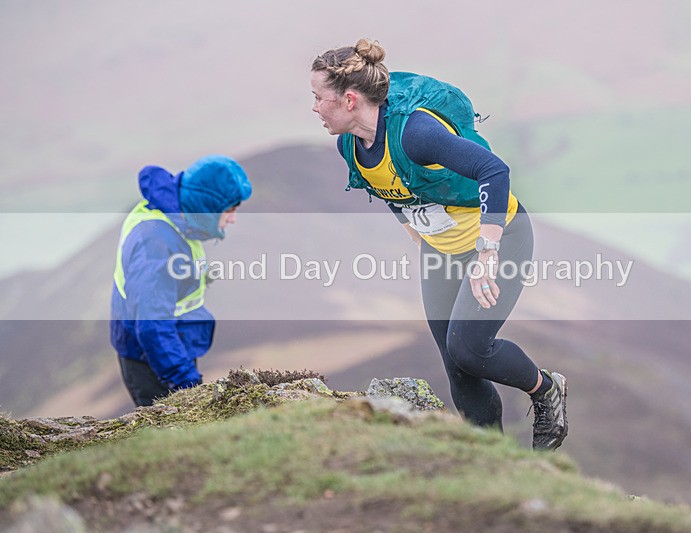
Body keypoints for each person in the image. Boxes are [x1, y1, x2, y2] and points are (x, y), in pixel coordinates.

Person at [311, 39, 568, 450]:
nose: (315, 108)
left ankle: (545, 389)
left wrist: (487, 252)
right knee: (457, 366)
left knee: (470, 348)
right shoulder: (350, 145)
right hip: (441, 250)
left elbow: (494, 171)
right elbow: (388, 185)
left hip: (500, 239)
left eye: (319, 97)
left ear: (349, 99)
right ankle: (492, 461)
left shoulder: (417, 133)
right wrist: (413, 227)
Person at [110, 155, 252, 407]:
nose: (233, 219)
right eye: (229, 209)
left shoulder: (176, 214)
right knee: (164, 435)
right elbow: (152, 324)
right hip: (152, 358)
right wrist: (187, 382)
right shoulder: (157, 245)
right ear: (207, 207)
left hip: (169, 347)